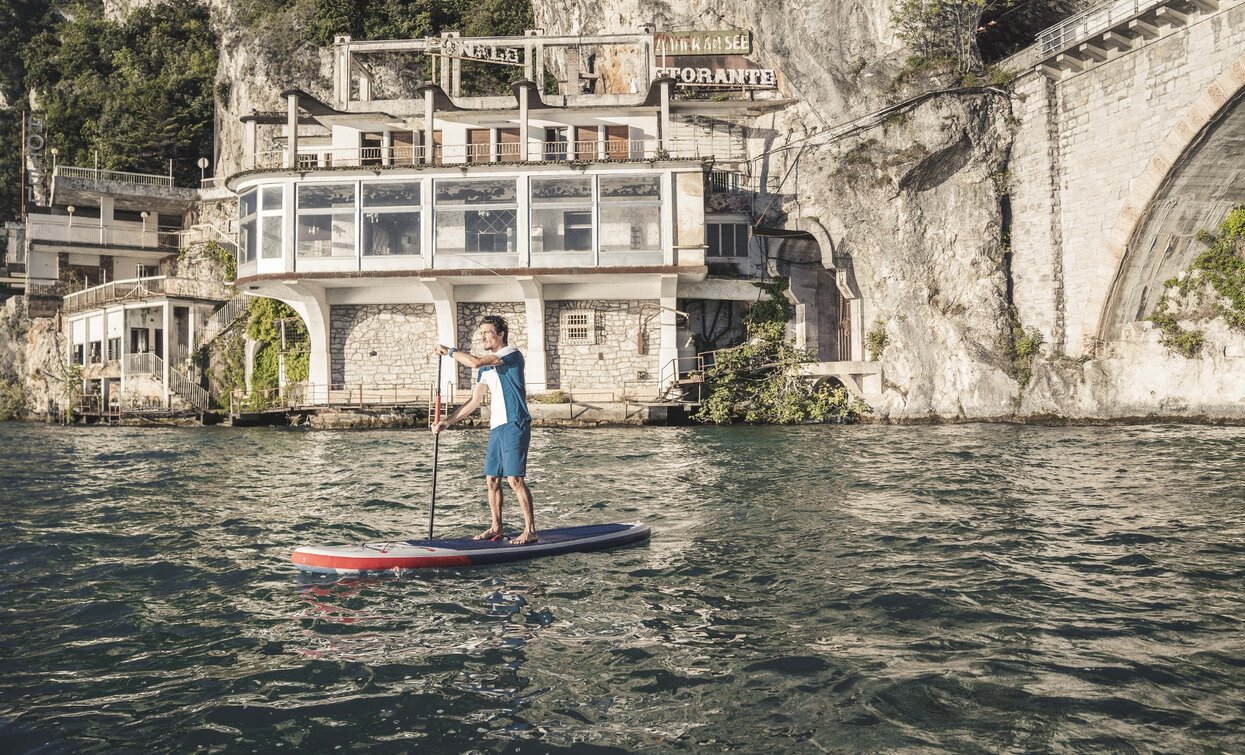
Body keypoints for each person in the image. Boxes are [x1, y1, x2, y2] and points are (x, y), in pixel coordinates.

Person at [432, 315, 538, 545]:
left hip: (515, 423)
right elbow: (473, 402)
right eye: (481, 333)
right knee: (492, 480)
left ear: (500, 335)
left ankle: (530, 530)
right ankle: (496, 527)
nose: (483, 337)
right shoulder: (487, 369)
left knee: (514, 479)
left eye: (487, 333)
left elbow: (475, 362)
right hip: (497, 426)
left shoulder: (510, 353)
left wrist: (450, 351)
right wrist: (447, 422)